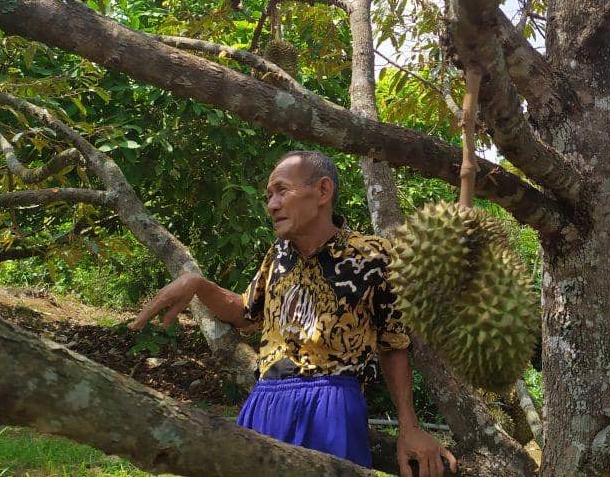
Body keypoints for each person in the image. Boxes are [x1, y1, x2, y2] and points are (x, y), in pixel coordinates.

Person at [130, 150, 457, 477]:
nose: (272, 205)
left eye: (282, 191)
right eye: (269, 196)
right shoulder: (277, 256)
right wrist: (197, 285)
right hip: (264, 402)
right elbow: (245, 312)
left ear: (323, 192)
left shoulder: (372, 255)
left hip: (330, 403)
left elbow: (393, 343)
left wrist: (409, 426)